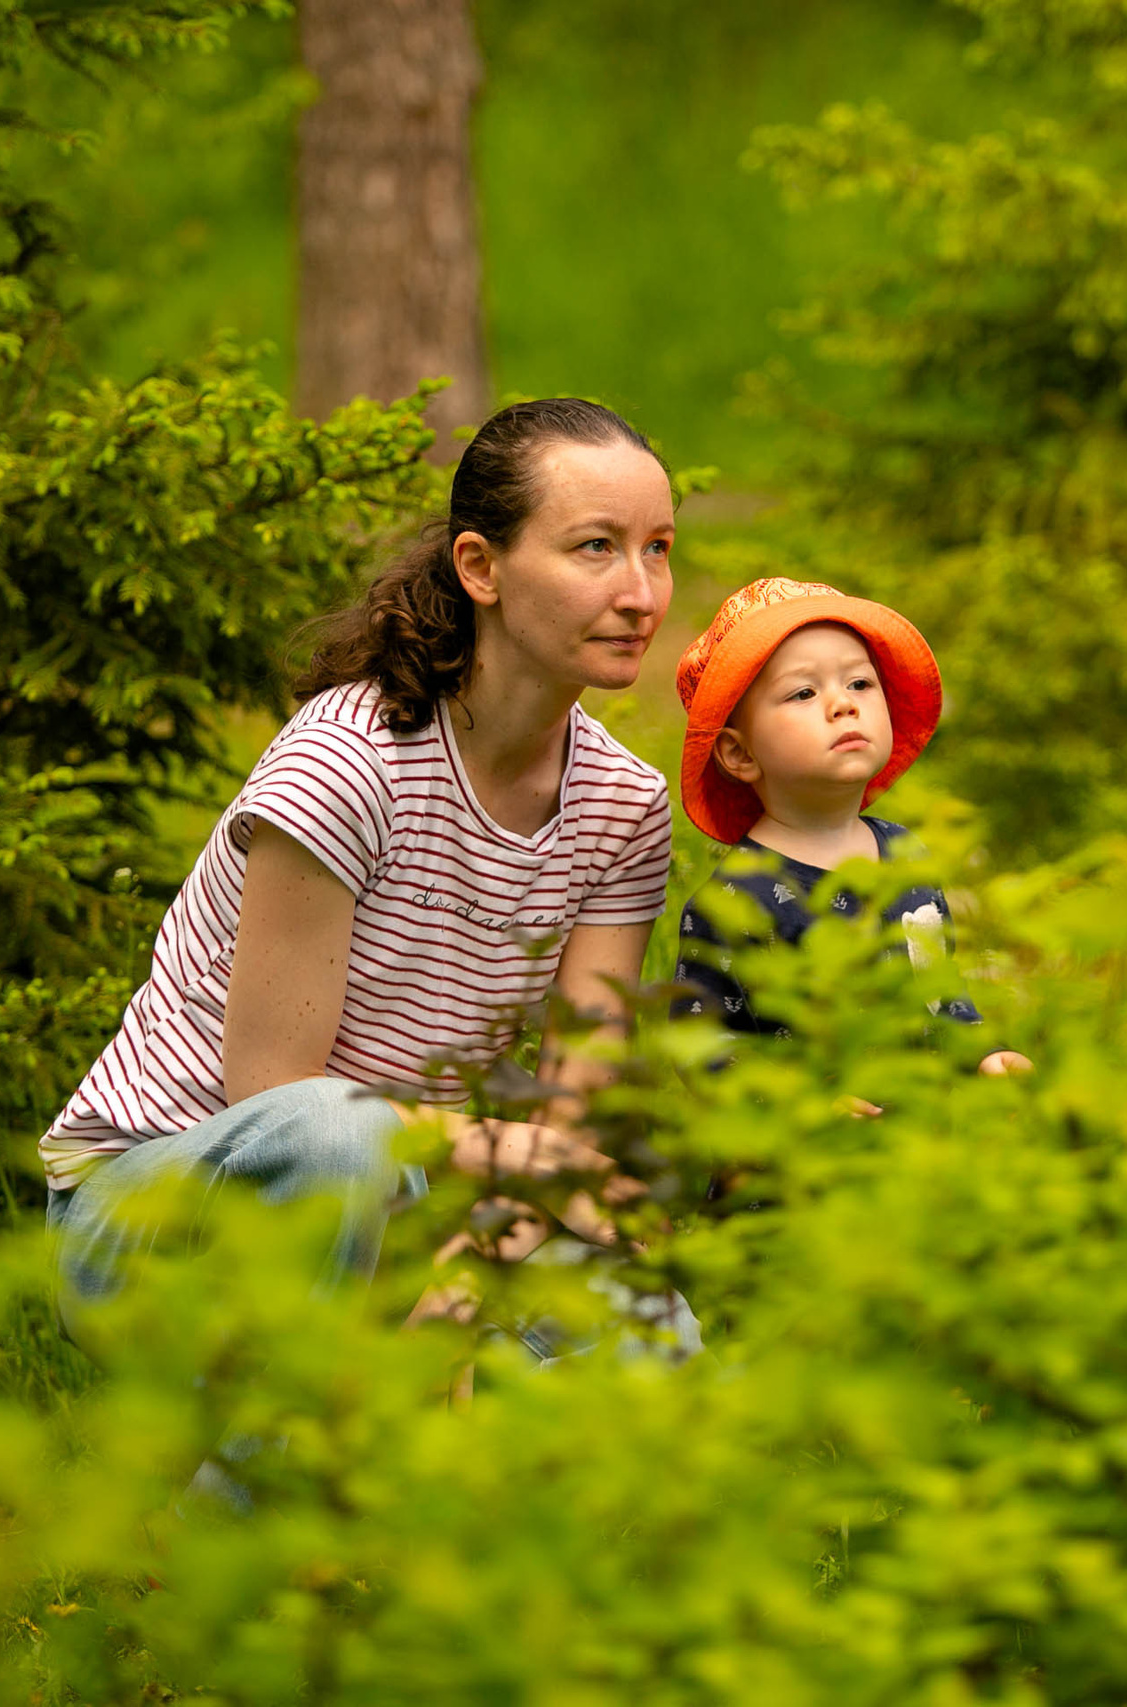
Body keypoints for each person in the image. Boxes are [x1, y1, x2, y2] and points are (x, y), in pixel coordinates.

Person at [38, 397, 677, 1311]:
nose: (641, 592)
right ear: (480, 567)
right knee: (340, 1144)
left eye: (658, 547)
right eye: (595, 547)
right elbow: (280, 1103)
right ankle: (278, 1450)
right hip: (159, 1201)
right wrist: (499, 1160)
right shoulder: (346, 763)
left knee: (642, 1322)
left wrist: (479, 1256)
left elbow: (570, 1129)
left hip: (426, 1189)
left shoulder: (624, 806)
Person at [667, 577, 1030, 1080]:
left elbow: (940, 996)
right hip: (811, 1149)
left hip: (928, 1139)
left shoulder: (907, 854)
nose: (844, 704)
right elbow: (700, 1048)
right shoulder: (734, 900)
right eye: (803, 692)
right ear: (740, 753)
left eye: (859, 683)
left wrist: (984, 1054)